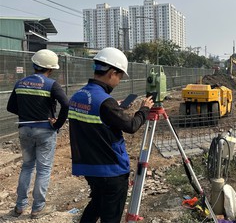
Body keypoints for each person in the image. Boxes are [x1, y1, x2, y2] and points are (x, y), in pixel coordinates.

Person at [68, 47, 154, 223]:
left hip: (89, 167)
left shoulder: (79, 95)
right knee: (111, 216)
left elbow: (98, 116)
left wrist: (116, 109)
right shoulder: (106, 102)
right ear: (112, 73)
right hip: (111, 170)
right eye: (120, 76)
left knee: (97, 204)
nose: (119, 81)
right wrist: (144, 109)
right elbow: (131, 126)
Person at [7, 49, 69, 219]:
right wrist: (58, 123)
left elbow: (10, 107)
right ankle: (37, 208)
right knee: (43, 169)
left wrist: (27, 114)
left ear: (34, 65)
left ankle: (19, 207)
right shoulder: (51, 84)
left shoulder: (20, 83)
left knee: (27, 166)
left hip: (24, 129)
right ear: (51, 69)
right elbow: (66, 105)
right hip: (45, 131)